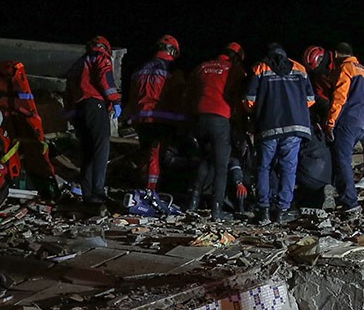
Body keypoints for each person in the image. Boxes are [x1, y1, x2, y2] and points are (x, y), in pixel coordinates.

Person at [242, 43, 315, 223]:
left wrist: (258, 113)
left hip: (268, 126)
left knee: (264, 167)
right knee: (288, 168)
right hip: (295, 127)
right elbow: (310, 100)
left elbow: (249, 100)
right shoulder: (299, 68)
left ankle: (264, 210)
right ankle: (282, 211)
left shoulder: (260, 68)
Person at [188, 42, 245, 218]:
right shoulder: (235, 70)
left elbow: (190, 92)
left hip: (199, 119)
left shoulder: (202, 66)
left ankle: (192, 204)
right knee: (221, 167)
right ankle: (216, 210)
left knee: (205, 161)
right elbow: (240, 98)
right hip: (220, 120)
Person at [63, 35, 119, 211]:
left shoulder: (78, 64)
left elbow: (68, 91)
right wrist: (115, 101)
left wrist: (71, 113)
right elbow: (106, 80)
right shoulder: (101, 58)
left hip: (79, 109)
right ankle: (98, 191)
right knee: (101, 148)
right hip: (94, 104)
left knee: (87, 152)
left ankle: (88, 194)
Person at [324, 42, 364, 214]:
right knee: (342, 158)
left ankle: (350, 202)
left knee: (343, 160)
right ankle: (340, 194)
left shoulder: (345, 69)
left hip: (348, 122)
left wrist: (330, 122)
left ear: (335, 54)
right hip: (362, 122)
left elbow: (339, 98)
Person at [125, 34, 185, 197]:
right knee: (156, 156)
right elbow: (179, 97)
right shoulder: (172, 70)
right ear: (172, 51)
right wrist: (183, 122)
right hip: (161, 120)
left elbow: (132, 96)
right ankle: (151, 192)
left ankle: (142, 189)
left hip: (141, 120)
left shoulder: (140, 69)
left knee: (146, 155)